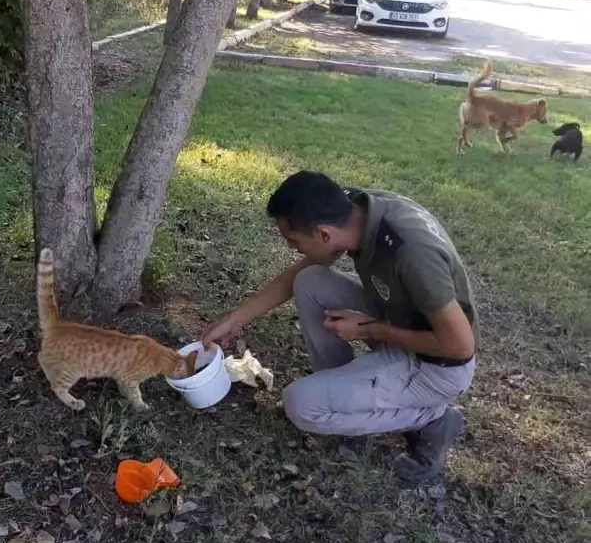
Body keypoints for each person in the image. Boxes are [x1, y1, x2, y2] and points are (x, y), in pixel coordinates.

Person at [204, 171, 478, 484]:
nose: (292, 248)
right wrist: (233, 320)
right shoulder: (353, 208)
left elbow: (460, 346)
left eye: (293, 241)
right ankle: (344, 394)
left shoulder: (412, 253)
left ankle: (434, 418)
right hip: (398, 318)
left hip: (437, 365)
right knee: (309, 281)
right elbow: (294, 277)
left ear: (323, 234)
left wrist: (370, 330)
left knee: (300, 405)